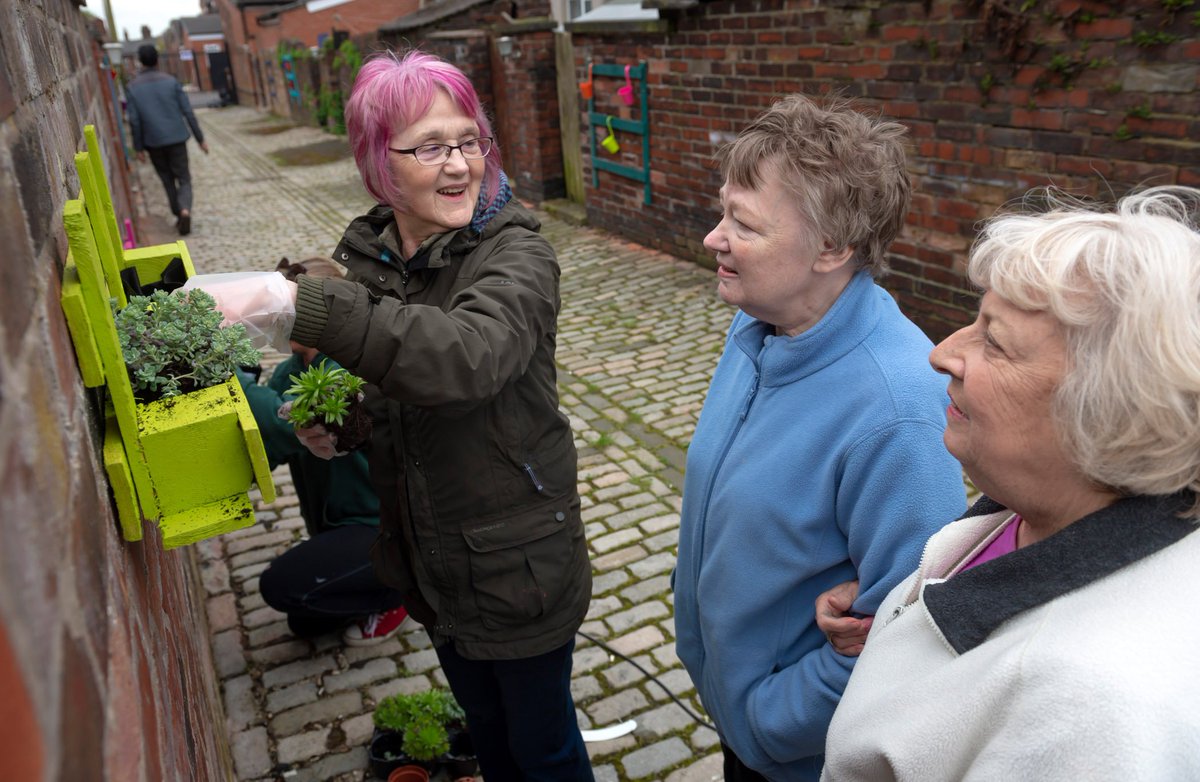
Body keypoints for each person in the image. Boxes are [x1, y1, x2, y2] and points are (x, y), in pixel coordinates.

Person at [185, 50, 594, 781]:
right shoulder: (377, 256)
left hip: (517, 567)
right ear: (379, 162)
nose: (460, 164)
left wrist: (293, 303)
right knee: (492, 740)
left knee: (545, 753)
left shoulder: (518, 257)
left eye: (469, 140)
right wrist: (343, 429)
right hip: (428, 564)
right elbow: (399, 389)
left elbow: (467, 357)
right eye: (431, 147)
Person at [819, 187, 1200, 781]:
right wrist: (897, 620)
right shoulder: (1035, 510)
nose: (941, 352)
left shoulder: (1092, 716)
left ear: (1112, 410)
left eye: (993, 340)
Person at [671, 94, 967, 781]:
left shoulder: (899, 412)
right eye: (723, 212)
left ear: (833, 248)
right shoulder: (757, 325)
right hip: (738, 713)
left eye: (743, 224)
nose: (714, 237)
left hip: (794, 756)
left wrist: (775, 721)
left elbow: (909, 637)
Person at [236, 257, 408, 646]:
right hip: (336, 524)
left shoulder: (348, 368)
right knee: (306, 622)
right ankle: (371, 582)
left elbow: (291, 422)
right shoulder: (290, 371)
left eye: (288, 311)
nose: (277, 321)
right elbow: (277, 443)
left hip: (379, 526)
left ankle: (401, 594)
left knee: (282, 588)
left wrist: (239, 387)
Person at [125, 44, 209, 235]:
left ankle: (179, 214)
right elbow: (188, 111)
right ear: (157, 59)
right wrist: (200, 139)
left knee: (167, 180)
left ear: (140, 61)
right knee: (184, 178)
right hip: (177, 138)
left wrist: (138, 148)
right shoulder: (171, 82)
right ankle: (185, 209)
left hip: (153, 142)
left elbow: (135, 120)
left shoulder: (132, 88)